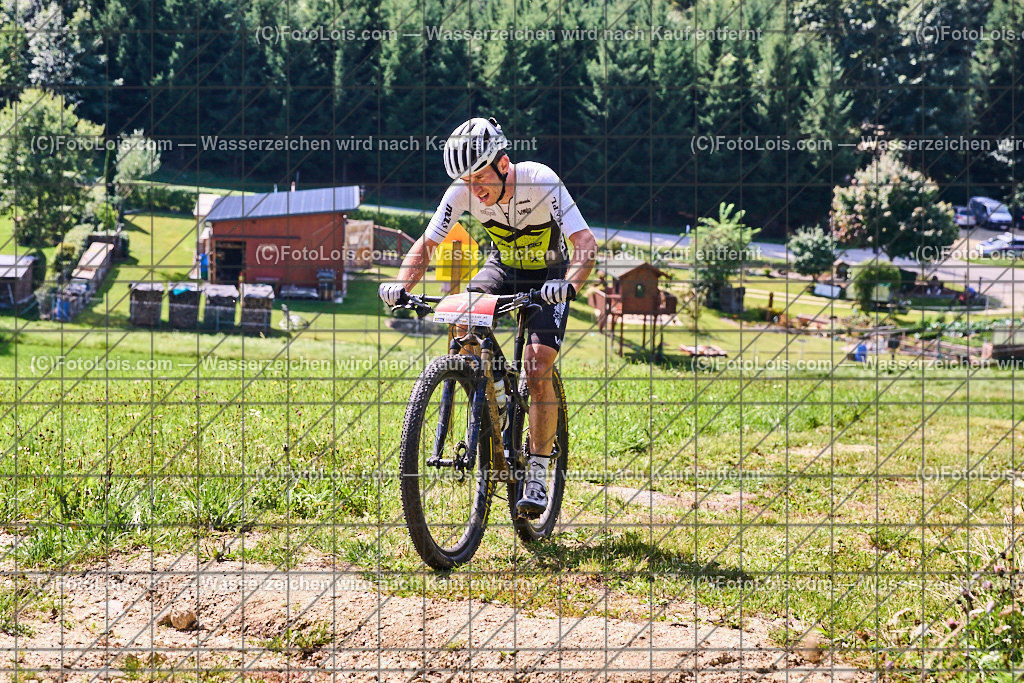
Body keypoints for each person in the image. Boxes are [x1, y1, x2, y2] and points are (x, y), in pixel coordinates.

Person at [379, 117, 597, 518]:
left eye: (481, 178)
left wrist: (569, 285)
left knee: (537, 365)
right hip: (503, 267)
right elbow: (427, 246)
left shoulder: (540, 181)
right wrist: (401, 285)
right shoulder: (462, 191)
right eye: (467, 181)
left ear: (503, 163)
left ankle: (536, 469)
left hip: (549, 272)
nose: (475, 189)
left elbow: (584, 242)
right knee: (461, 316)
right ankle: (484, 394)